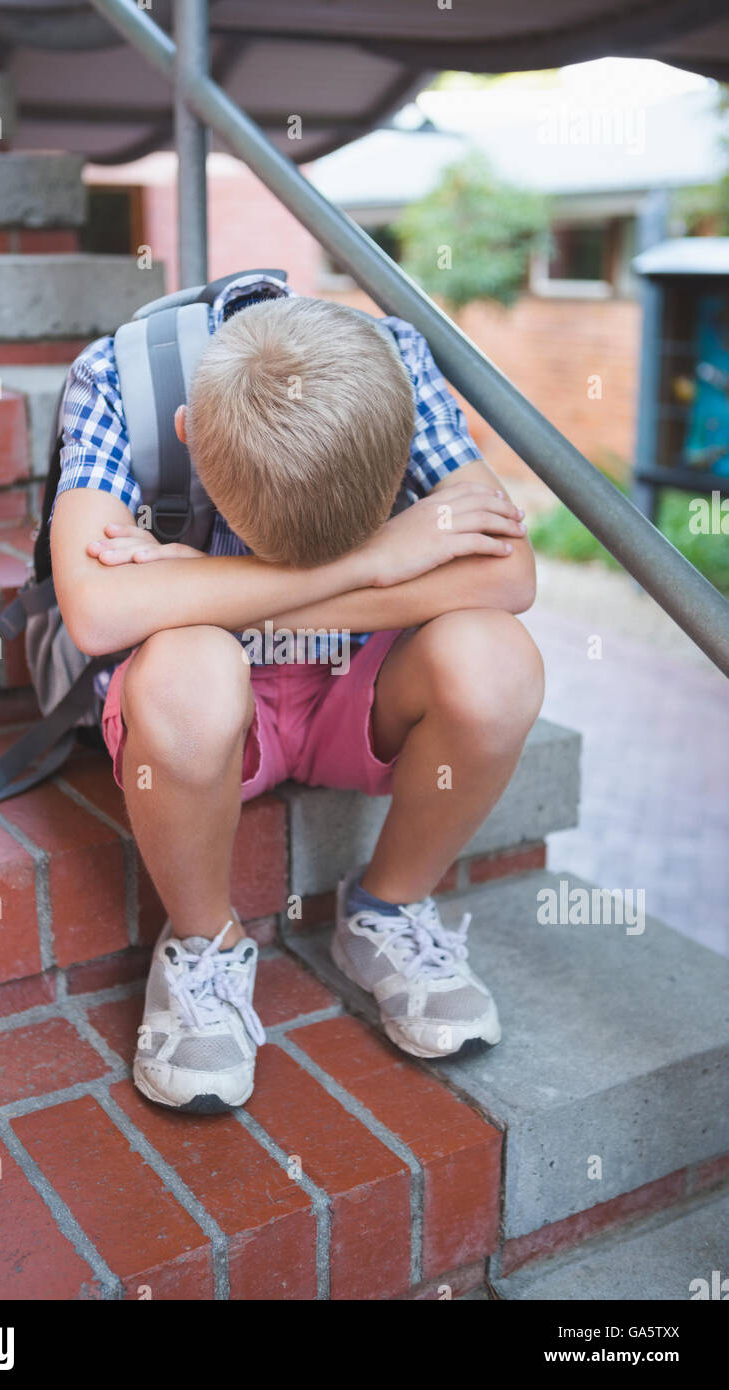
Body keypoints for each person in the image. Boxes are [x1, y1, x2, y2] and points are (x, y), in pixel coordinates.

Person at [49, 273, 544, 1113]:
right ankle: (204, 944)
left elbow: (509, 574)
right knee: (187, 675)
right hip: (208, 699)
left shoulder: (393, 366)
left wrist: (205, 580)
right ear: (190, 438)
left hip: (354, 683)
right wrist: (374, 558)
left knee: (499, 661)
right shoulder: (121, 381)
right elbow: (98, 613)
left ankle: (385, 911)